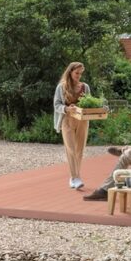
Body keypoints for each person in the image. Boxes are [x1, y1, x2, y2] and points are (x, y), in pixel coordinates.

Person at [54, 62, 90, 190]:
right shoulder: (61, 87)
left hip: (82, 120)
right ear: (70, 72)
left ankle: (74, 177)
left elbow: (89, 104)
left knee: (80, 149)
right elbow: (56, 105)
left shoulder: (85, 87)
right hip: (67, 120)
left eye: (81, 73)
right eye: (76, 73)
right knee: (71, 149)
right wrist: (67, 108)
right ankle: (76, 177)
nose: (79, 76)